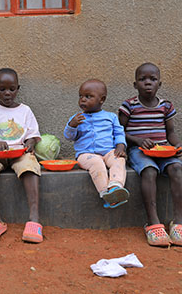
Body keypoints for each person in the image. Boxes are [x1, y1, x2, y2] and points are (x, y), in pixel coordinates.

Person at [0, 68, 43, 243]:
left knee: (30, 164)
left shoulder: (25, 111)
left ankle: (34, 219)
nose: (7, 93)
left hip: (19, 152)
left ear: (18, 88)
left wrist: (30, 143)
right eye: (2, 89)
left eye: (12, 89)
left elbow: (33, 136)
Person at [119, 63, 182, 246]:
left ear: (159, 84)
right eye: (142, 79)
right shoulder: (129, 106)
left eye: (152, 79)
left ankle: (178, 221)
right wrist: (138, 141)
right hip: (138, 151)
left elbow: (170, 132)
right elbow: (119, 132)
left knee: (177, 168)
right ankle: (153, 222)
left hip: (162, 150)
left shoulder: (166, 106)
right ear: (135, 84)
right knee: (149, 171)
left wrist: (176, 144)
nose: (148, 83)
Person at [64, 79, 129, 209]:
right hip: (86, 155)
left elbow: (119, 132)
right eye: (80, 96)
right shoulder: (77, 118)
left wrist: (121, 146)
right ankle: (105, 193)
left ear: (102, 99)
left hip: (108, 151)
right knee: (97, 164)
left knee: (119, 160)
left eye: (88, 96)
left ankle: (115, 187)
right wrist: (72, 125)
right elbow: (69, 137)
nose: (82, 100)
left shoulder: (111, 117)